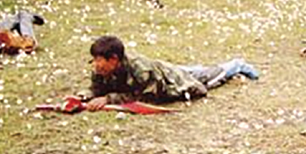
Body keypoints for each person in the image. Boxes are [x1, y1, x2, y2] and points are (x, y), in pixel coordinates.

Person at [80, 35, 260, 110]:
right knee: (191, 70)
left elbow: (146, 97)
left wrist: (108, 99)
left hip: (172, 81)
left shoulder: (141, 70)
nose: (96, 65)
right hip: (163, 71)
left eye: (99, 60)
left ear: (113, 59)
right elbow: (96, 88)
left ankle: (237, 65)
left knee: (209, 77)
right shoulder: (101, 68)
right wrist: (83, 97)